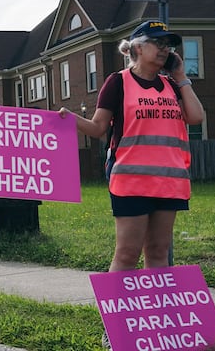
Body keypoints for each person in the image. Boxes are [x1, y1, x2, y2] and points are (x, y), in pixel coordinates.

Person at [60, 20, 205, 274]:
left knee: (159, 253)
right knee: (127, 254)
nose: (165, 49)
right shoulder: (118, 82)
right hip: (131, 182)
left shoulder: (172, 86)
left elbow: (195, 117)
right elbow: (98, 128)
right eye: (157, 43)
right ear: (136, 48)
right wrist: (70, 119)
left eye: (168, 45)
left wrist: (181, 77)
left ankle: (157, 313)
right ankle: (118, 314)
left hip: (169, 183)